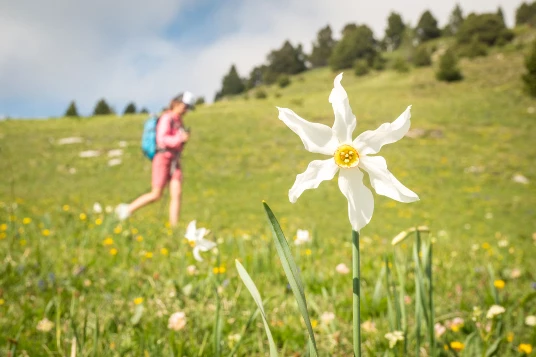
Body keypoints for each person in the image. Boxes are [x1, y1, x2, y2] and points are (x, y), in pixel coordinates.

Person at [115, 91, 195, 226]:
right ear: (176, 103)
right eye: (185, 106)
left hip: (175, 160)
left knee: (177, 193)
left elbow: (176, 143)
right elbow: (162, 139)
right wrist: (180, 138)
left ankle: (173, 227)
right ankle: (126, 210)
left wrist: (182, 141)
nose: (186, 110)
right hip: (162, 158)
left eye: (188, 108)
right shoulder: (166, 118)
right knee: (156, 194)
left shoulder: (179, 122)